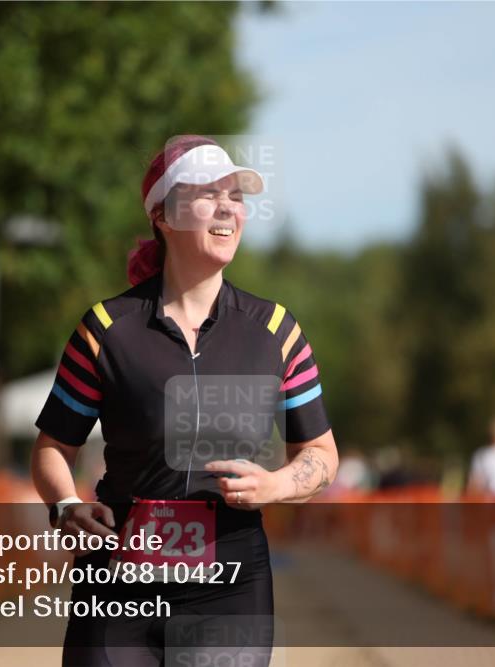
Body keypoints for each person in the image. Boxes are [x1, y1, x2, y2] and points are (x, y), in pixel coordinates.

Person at [30, 135, 338, 666]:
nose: (227, 207)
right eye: (206, 193)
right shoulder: (106, 330)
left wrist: (277, 484)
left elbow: (322, 454)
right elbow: (52, 447)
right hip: (117, 582)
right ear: (163, 216)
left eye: (235, 196)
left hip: (230, 588)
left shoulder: (276, 331)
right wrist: (65, 506)